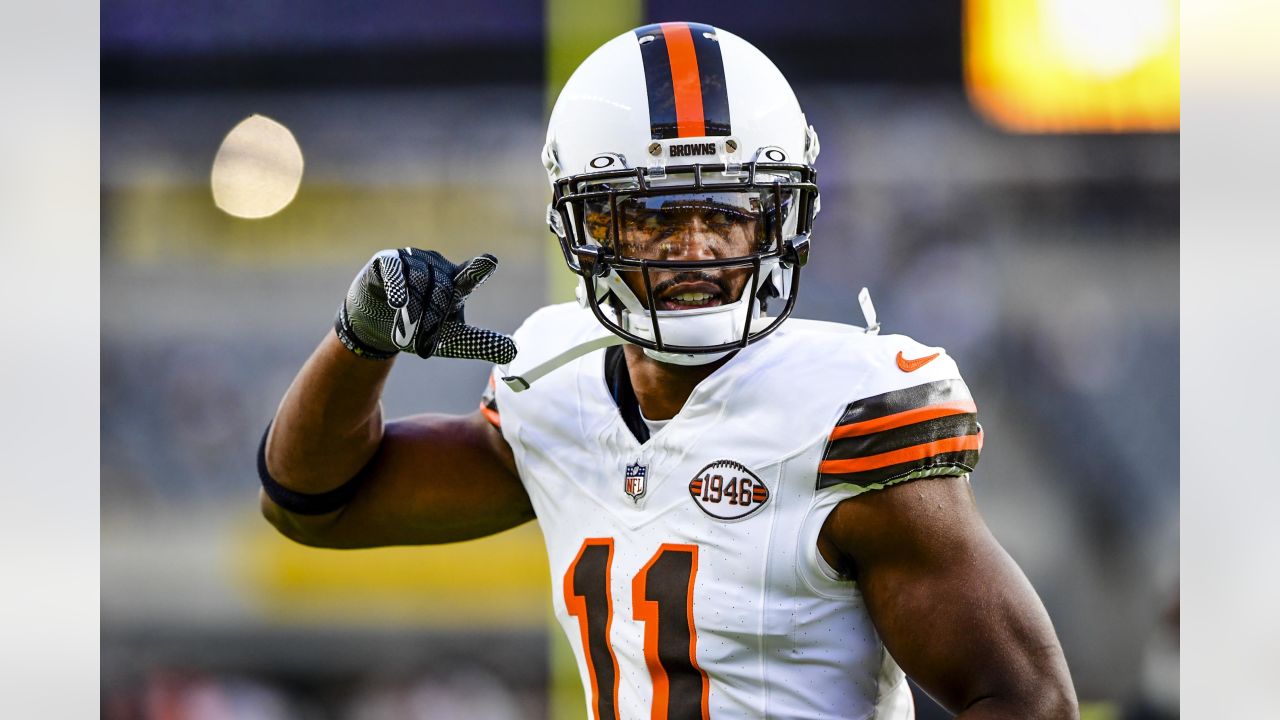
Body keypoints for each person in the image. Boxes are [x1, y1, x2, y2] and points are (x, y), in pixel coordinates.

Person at [259, 21, 1078, 719]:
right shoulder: (554, 384)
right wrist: (359, 341)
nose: (696, 246)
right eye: (654, 214)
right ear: (587, 223)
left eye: (728, 209)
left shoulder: (845, 415)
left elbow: (1024, 700)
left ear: (780, 216)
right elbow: (315, 506)